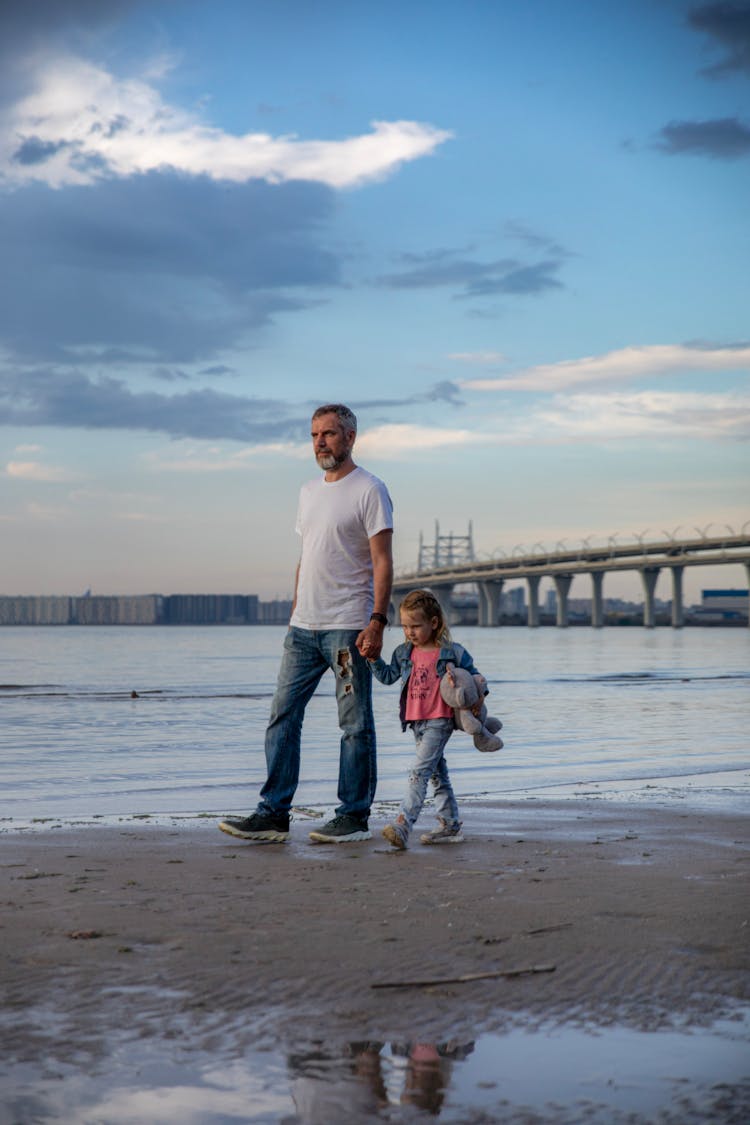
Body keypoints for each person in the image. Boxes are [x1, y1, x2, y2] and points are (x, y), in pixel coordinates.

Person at [219, 403, 393, 844]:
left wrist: (377, 622)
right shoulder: (307, 492)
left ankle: (352, 816)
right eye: (314, 435)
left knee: (354, 724)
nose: (320, 443)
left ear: (350, 437)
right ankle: (274, 814)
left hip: (348, 627)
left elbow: (382, 562)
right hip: (302, 629)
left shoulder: (370, 489)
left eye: (329, 434)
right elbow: (308, 557)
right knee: (282, 716)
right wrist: (296, 610)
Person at [368, 588, 489, 850]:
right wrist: (373, 659)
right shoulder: (403, 653)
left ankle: (403, 824)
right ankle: (449, 824)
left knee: (418, 772)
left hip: (440, 720)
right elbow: (388, 677)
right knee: (437, 775)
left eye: (415, 626)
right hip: (416, 721)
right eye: (405, 626)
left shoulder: (452, 651)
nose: (409, 632)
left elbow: (477, 678)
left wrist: (479, 699)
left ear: (433, 623)